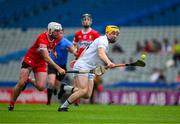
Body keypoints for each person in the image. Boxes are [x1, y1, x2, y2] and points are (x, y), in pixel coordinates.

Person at [57, 25, 120, 112]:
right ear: (107, 33)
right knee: (83, 90)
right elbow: (101, 53)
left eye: (117, 34)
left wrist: (78, 60)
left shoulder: (103, 41)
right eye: (113, 33)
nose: (115, 36)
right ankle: (63, 107)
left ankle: (65, 88)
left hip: (91, 69)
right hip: (83, 66)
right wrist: (109, 62)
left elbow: (86, 50)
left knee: (87, 95)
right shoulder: (103, 41)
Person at [8, 22, 66, 111]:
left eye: (59, 31)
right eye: (56, 31)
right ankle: (11, 105)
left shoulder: (57, 38)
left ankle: (29, 79)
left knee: (41, 87)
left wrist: (54, 51)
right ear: (50, 31)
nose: (58, 33)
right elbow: (46, 57)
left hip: (40, 62)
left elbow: (52, 45)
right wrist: (58, 68)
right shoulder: (42, 38)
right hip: (31, 59)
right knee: (21, 83)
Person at [71, 13, 100, 105]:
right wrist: (75, 52)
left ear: (91, 21)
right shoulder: (77, 34)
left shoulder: (95, 34)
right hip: (79, 62)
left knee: (86, 89)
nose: (86, 21)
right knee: (76, 84)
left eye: (88, 20)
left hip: (90, 63)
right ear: (82, 21)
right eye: (84, 19)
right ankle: (76, 102)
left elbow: (99, 48)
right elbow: (74, 45)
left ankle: (66, 89)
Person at [47, 28, 77, 105]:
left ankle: (57, 89)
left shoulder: (66, 42)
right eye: (58, 33)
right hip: (52, 64)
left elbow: (73, 50)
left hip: (62, 66)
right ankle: (48, 102)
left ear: (63, 34)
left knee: (56, 85)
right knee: (51, 82)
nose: (59, 34)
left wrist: (75, 52)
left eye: (61, 33)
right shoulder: (52, 40)